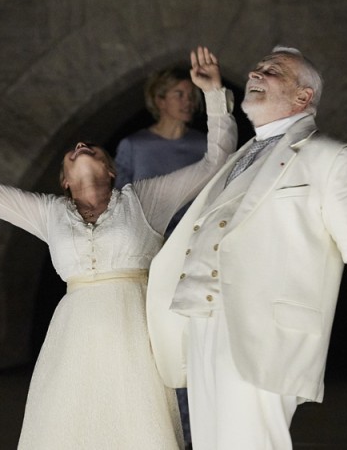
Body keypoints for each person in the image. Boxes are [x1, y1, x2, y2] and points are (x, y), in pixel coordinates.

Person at [0, 47, 237, 450]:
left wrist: (214, 95)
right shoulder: (49, 212)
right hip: (73, 338)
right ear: (63, 180)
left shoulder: (143, 199)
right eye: (72, 150)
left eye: (91, 147)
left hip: (135, 335)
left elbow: (216, 160)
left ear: (111, 169)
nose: (80, 144)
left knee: (137, 430)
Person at [146, 46, 347, 450]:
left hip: (264, 338)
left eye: (271, 71)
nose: (255, 72)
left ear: (303, 97)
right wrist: (216, 96)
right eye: (256, 67)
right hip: (199, 326)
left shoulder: (331, 158)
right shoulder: (238, 158)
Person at [113, 66, 206, 448]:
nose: (188, 102)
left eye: (192, 95)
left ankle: (192, 433)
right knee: (153, 344)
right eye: (180, 95)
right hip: (151, 256)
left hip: (194, 256)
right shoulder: (134, 146)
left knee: (189, 345)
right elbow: (120, 204)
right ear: (160, 100)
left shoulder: (205, 145)